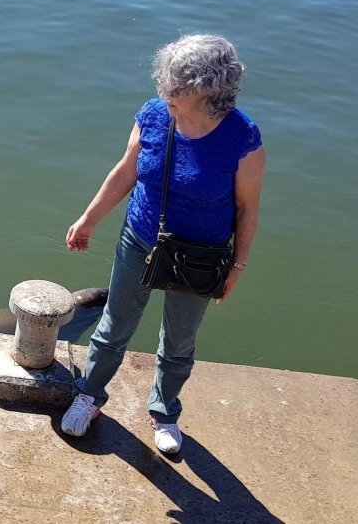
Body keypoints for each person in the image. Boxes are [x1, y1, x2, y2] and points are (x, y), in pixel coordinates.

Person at [61, 34, 266, 453]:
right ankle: (89, 395)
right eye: (165, 83)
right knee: (114, 324)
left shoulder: (241, 137)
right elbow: (125, 171)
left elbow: (248, 210)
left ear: (208, 91)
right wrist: (89, 219)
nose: (165, 92)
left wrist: (237, 267)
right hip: (141, 238)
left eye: (176, 88)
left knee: (179, 341)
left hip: (202, 254)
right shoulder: (155, 114)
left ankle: (165, 413)